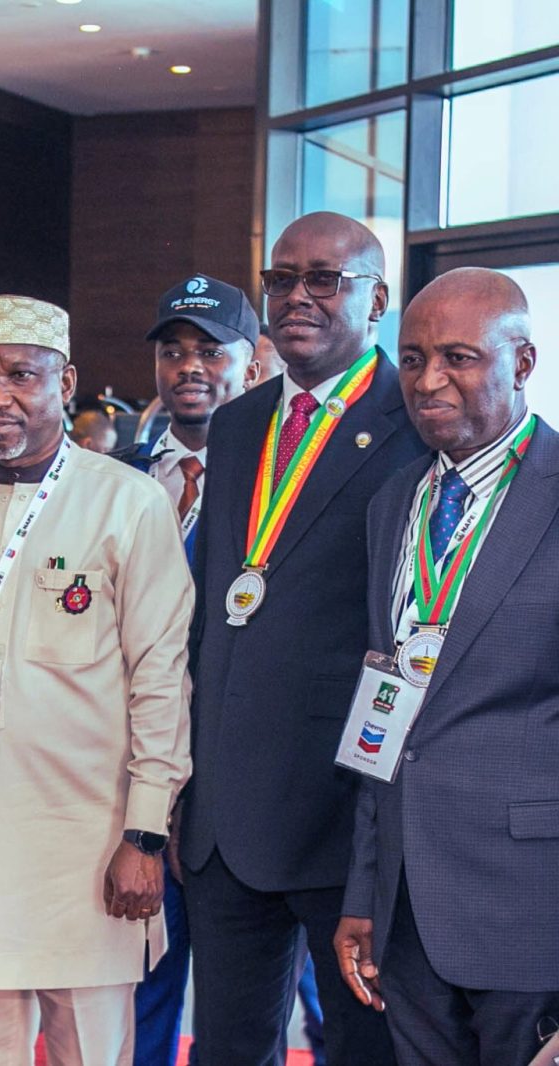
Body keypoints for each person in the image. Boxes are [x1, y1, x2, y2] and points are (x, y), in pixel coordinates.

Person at [181, 212, 427, 1066]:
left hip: (342, 818)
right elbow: (216, 610)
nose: (297, 297)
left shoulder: (417, 426)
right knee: (227, 1049)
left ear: (378, 300)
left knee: (361, 1049)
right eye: (281, 279)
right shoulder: (239, 423)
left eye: (325, 279)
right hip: (223, 822)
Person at [0, 295, 192, 1065]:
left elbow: (162, 677)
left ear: (65, 382)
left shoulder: (128, 501)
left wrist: (144, 833)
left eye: (20, 375)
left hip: (89, 849)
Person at [336, 267, 559, 1066]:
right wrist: (365, 891)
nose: (429, 381)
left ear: (522, 363)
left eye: (459, 358)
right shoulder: (394, 503)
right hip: (407, 913)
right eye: (412, 359)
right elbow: (385, 704)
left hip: (533, 912)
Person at [110, 275, 259, 1066]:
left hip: (243, 786)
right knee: (140, 987)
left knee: (257, 1005)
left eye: (211, 350)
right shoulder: (114, 478)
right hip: (133, 776)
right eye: (173, 351)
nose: (190, 366)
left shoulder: (276, 484)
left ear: (252, 363)